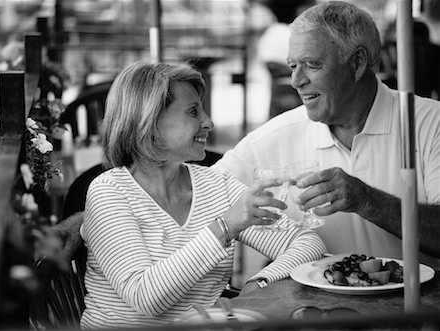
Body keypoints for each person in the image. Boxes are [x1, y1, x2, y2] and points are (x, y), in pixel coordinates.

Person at [78, 61, 325, 329]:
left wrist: (258, 285)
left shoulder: (217, 185)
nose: (209, 122)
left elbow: (308, 245)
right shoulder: (109, 192)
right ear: (150, 123)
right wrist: (225, 228)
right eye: (193, 112)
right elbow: (145, 298)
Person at [214, 1, 440, 269]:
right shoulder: (275, 135)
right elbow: (199, 196)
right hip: (310, 308)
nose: (297, 81)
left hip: (415, 308)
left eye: (311, 64)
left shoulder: (430, 123)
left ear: (357, 62)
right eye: (292, 66)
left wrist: (366, 200)